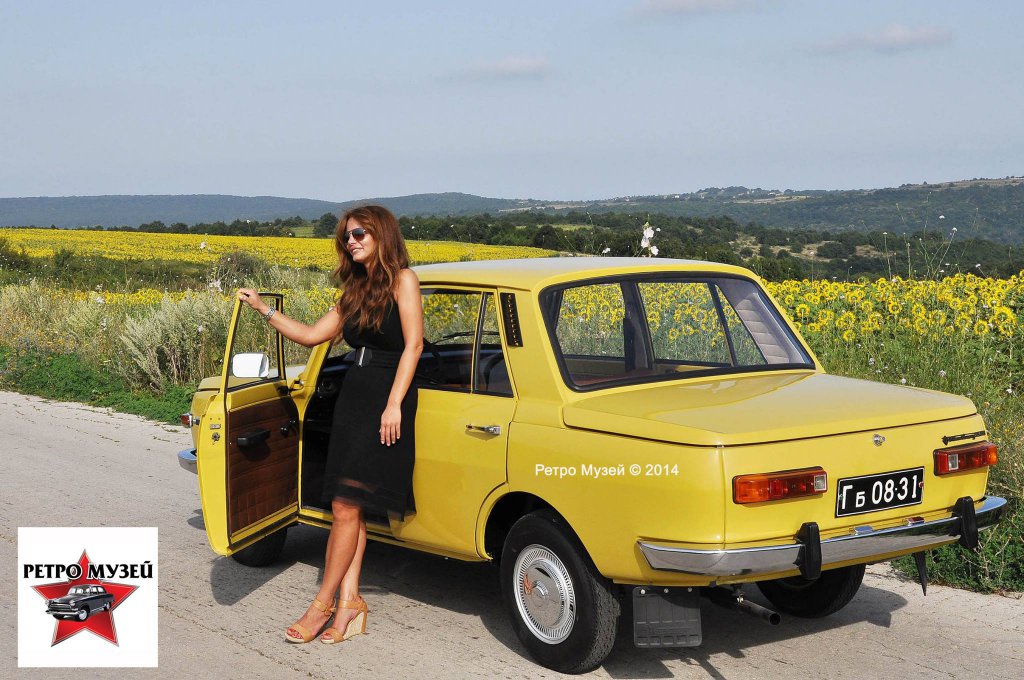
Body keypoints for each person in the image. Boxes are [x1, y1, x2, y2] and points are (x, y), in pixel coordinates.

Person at [236, 204, 423, 644]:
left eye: (359, 234)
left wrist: (394, 404)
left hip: (386, 397)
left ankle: (321, 605)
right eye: (346, 236)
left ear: (382, 235)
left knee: (344, 506)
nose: (351, 241)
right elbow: (311, 335)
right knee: (350, 507)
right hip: (355, 396)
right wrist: (263, 309)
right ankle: (350, 602)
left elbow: (413, 346)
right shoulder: (354, 289)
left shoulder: (404, 280)